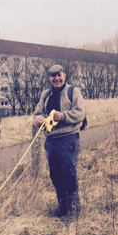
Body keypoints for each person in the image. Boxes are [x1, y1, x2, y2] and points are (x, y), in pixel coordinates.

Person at [33, 64, 86, 218]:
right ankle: (62, 210)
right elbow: (37, 113)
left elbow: (80, 113)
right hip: (51, 141)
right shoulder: (45, 94)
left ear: (64, 76)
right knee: (55, 175)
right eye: (53, 76)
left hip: (68, 139)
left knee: (68, 175)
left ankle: (73, 212)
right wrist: (37, 119)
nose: (56, 78)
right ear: (49, 78)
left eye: (59, 75)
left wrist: (62, 116)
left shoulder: (73, 91)